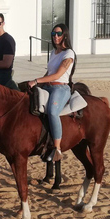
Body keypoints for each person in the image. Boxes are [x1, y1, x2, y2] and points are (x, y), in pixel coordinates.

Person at [27, 23, 75, 163]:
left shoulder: (69, 53)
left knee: (53, 112)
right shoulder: (54, 52)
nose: (55, 37)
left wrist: (36, 81)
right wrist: (35, 84)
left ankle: (57, 148)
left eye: (59, 34)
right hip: (48, 87)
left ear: (65, 35)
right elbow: (49, 73)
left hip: (61, 88)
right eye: (53, 34)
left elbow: (57, 75)